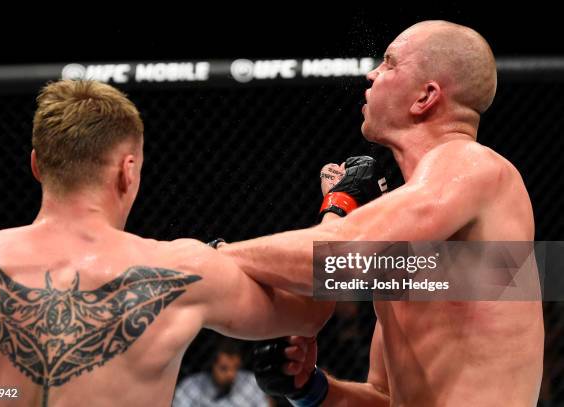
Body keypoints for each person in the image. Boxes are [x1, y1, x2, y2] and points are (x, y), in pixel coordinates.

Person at [0, 80, 334, 407]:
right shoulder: (182, 269)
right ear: (128, 170)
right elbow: (312, 309)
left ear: (36, 164)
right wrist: (339, 209)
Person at [223, 20, 544, 406]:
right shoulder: (412, 245)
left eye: (389, 63)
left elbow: (343, 253)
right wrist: (309, 388)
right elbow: (386, 397)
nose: (372, 73)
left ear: (425, 96)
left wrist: (213, 255)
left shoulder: (474, 165)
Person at [173, 338, 269, 407]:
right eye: (224, 368)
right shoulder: (191, 387)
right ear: (212, 365)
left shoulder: (250, 383)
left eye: (235, 367)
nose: (231, 374)